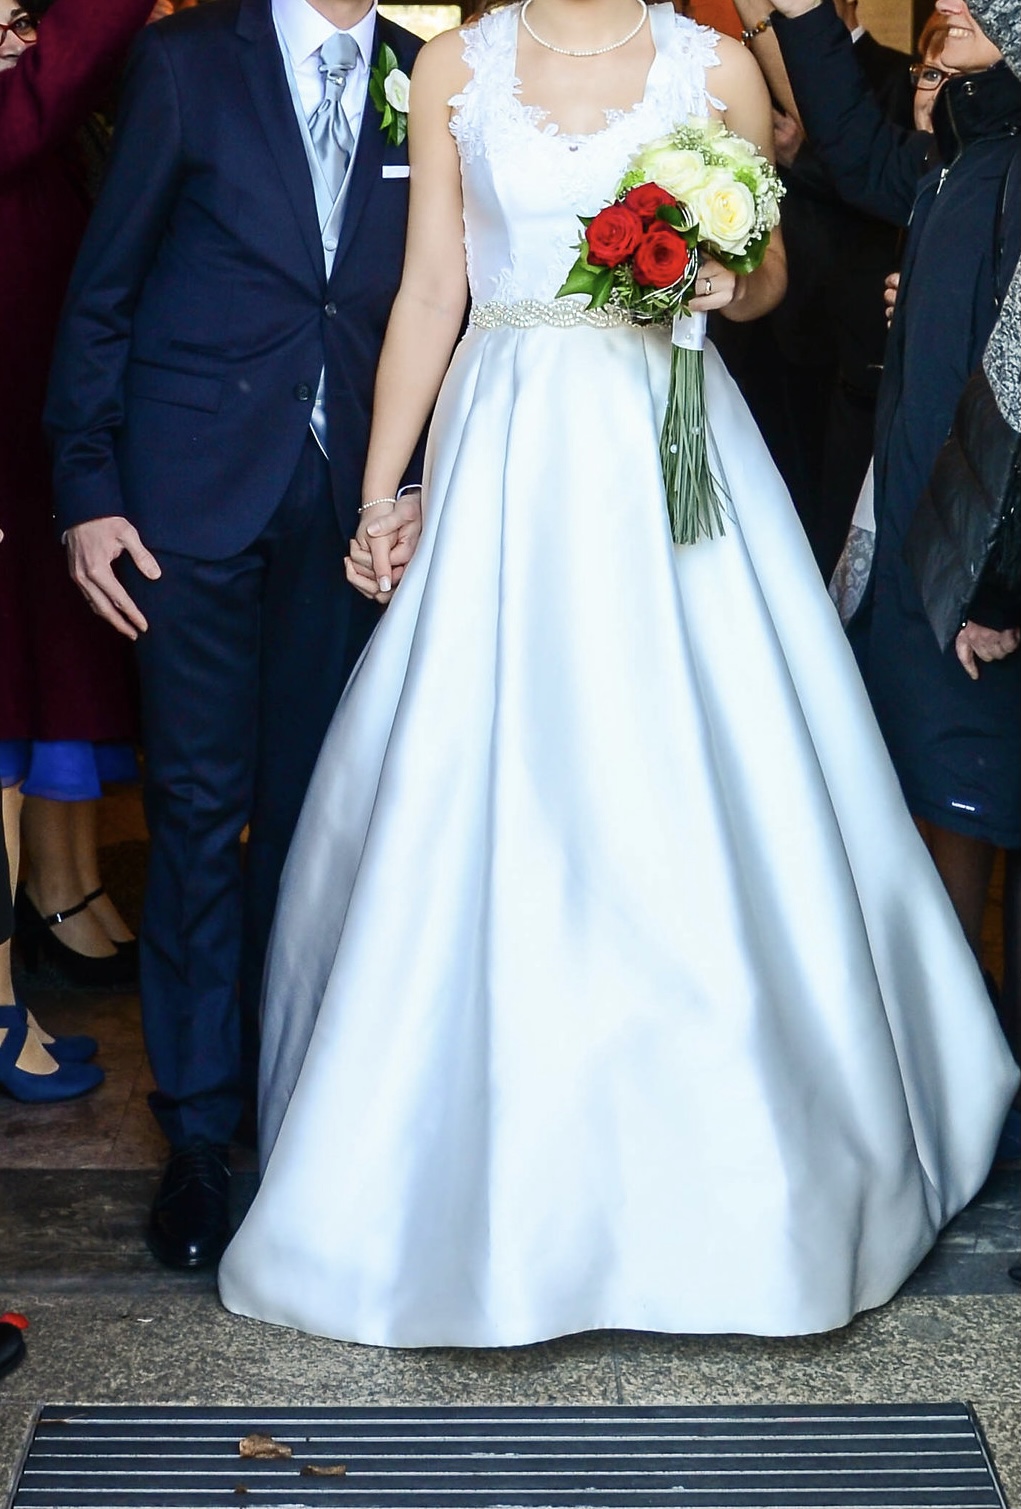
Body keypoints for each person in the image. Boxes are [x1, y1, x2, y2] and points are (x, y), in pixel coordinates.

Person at [217, 0, 1018, 1348]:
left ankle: (746, 1175)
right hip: (505, 447)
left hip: (665, 446)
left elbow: (767, 275)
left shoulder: (715, 67)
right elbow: (431, 293)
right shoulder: (457, 67)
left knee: (690, 775)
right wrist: (383, 489)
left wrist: (722, 284)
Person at [45, 0, 425, 1270]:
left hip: (351, 510)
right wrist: (86, 489)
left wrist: (415, 486)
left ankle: (293, 1096)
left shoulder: (428, 76)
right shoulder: (185, 59)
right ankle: (200, 1133)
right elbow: (104, 285)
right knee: (200, 813)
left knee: (314, 815)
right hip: (189, 493)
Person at [0, 0, 152, 996]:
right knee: (29, 646)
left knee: (58, 632)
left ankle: (72, 881)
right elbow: (44, 93)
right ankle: (49, 902)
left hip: (40, 378)